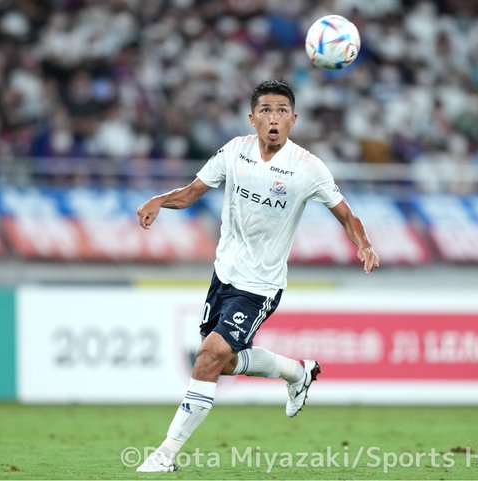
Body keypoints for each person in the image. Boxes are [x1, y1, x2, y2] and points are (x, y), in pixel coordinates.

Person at [135, 80, 380, 473]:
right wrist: (160, 201)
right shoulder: (235, 151)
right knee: (223, 362)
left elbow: (347, 215)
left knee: (208, 357)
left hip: (260, 286)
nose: (273, 118)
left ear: (294, 119)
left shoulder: (308, 167)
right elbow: (193, 191)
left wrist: (364, 244)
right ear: (252, 119)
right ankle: (297, 372)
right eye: (266, 110)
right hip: (223, 275)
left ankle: (166, 453)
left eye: (282, 111)